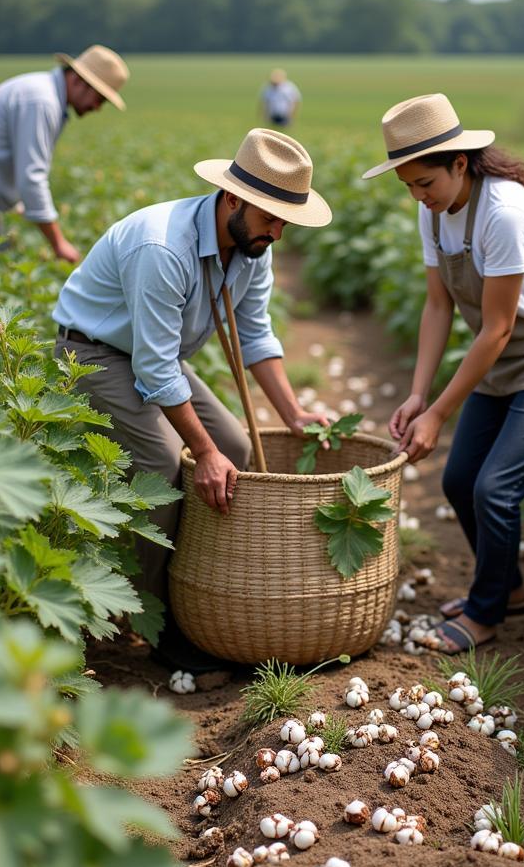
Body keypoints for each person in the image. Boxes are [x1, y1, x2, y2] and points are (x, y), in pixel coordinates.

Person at [53, 128, 333, 670]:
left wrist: (293, 413)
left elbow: (254, 336)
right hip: (94, 354)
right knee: (165, 465)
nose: (277, 232)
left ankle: (204, 588)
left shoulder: (253, 248)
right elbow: (152, 368)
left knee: (237, 447)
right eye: (270, 217)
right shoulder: (163, 247)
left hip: (157, 356)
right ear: (232, 198)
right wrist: (201, 454)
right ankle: (153, 619)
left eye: (285, 221)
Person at [362, 93, 524, 654]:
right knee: (459, 480)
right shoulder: (433, 213)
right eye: (409, 186)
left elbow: (498, 329)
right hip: (497, 359)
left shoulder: (504, 214)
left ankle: (486, 613)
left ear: (459, 163)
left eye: (425, 183)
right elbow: (438, 305)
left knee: (495, 489)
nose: (418, 196)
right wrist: (418, 395)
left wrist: (441, 410)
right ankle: (506, 588)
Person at [0, 45, 129, 262]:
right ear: (80, 81)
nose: (97, 108)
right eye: (100, 99)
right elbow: (32, 177)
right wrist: (58, 244)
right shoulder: (41, 101)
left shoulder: (38, 90)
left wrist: (19, 205)